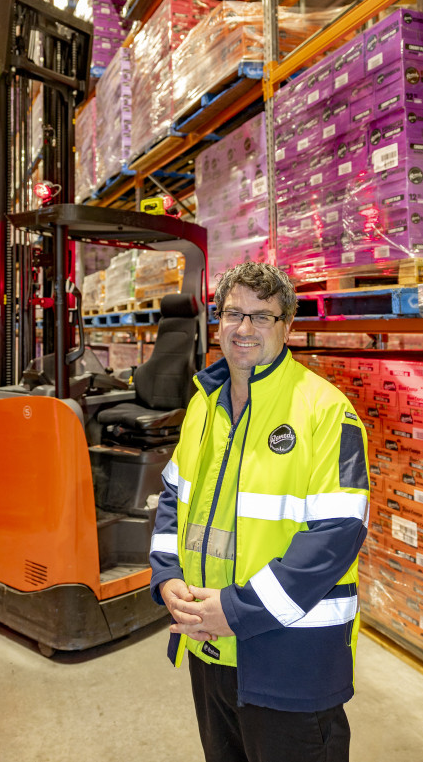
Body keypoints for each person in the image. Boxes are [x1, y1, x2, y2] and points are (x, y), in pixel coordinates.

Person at [149, 262, 369, 762]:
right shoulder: (205, 403)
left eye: (261, 316)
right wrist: (168, 577)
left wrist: (234, 611)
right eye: (233, 313)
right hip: (209, 650)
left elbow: (335, 536)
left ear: (287, 325)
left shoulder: (324, 411)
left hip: (289, 661)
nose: (244, 328)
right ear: (218, 322)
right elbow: (171, 497)